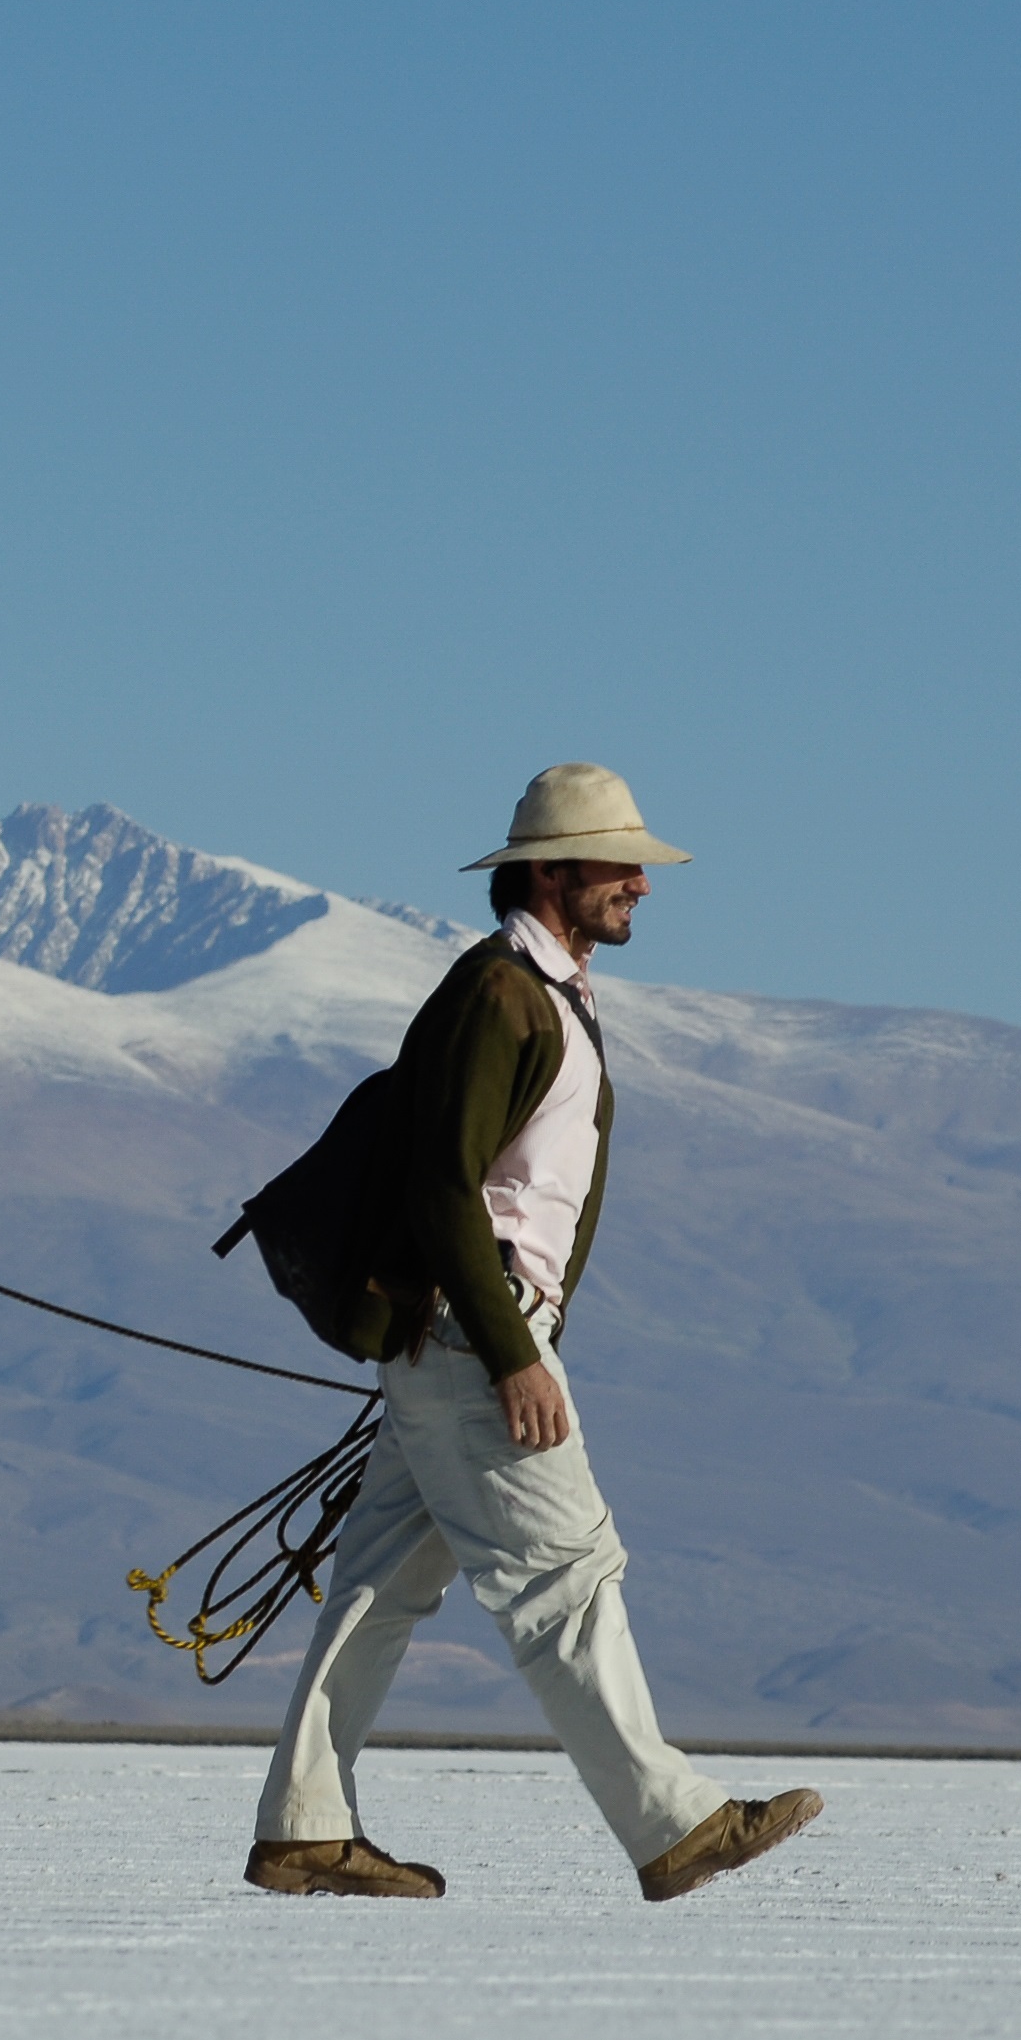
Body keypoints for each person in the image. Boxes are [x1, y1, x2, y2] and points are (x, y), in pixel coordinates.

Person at [245, 763, 822, 1905]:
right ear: (551, 872)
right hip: (476, 1331)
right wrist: (512, 1352)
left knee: (374, 1587)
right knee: (566, 1574)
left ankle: (304, 1824)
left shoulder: (539, 992)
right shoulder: (500, 994)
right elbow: (442, 1190)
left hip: (459, 1332)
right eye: (621, 864)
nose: (642, 886)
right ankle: (674, 1822)